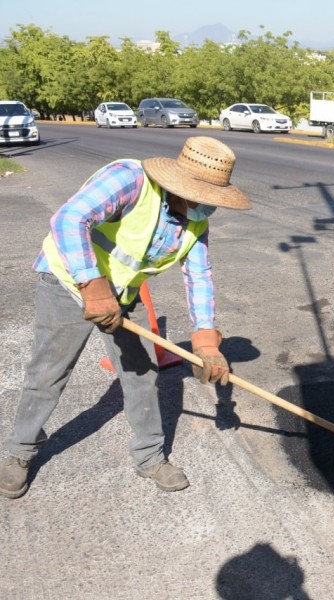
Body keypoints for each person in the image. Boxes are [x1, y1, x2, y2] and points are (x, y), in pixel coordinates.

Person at [0, 136, 251, 498]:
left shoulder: (195, 222)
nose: (209, 207)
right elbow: (69, 220)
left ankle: (149, 458)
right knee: (49, 372)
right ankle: (19, 453)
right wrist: (93, 287)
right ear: (180, 185)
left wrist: (207, 343)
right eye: (204, 197)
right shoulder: (129, 180)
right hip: (69, 279)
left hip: (123, 294)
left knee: (142, 372)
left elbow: (199, 277)